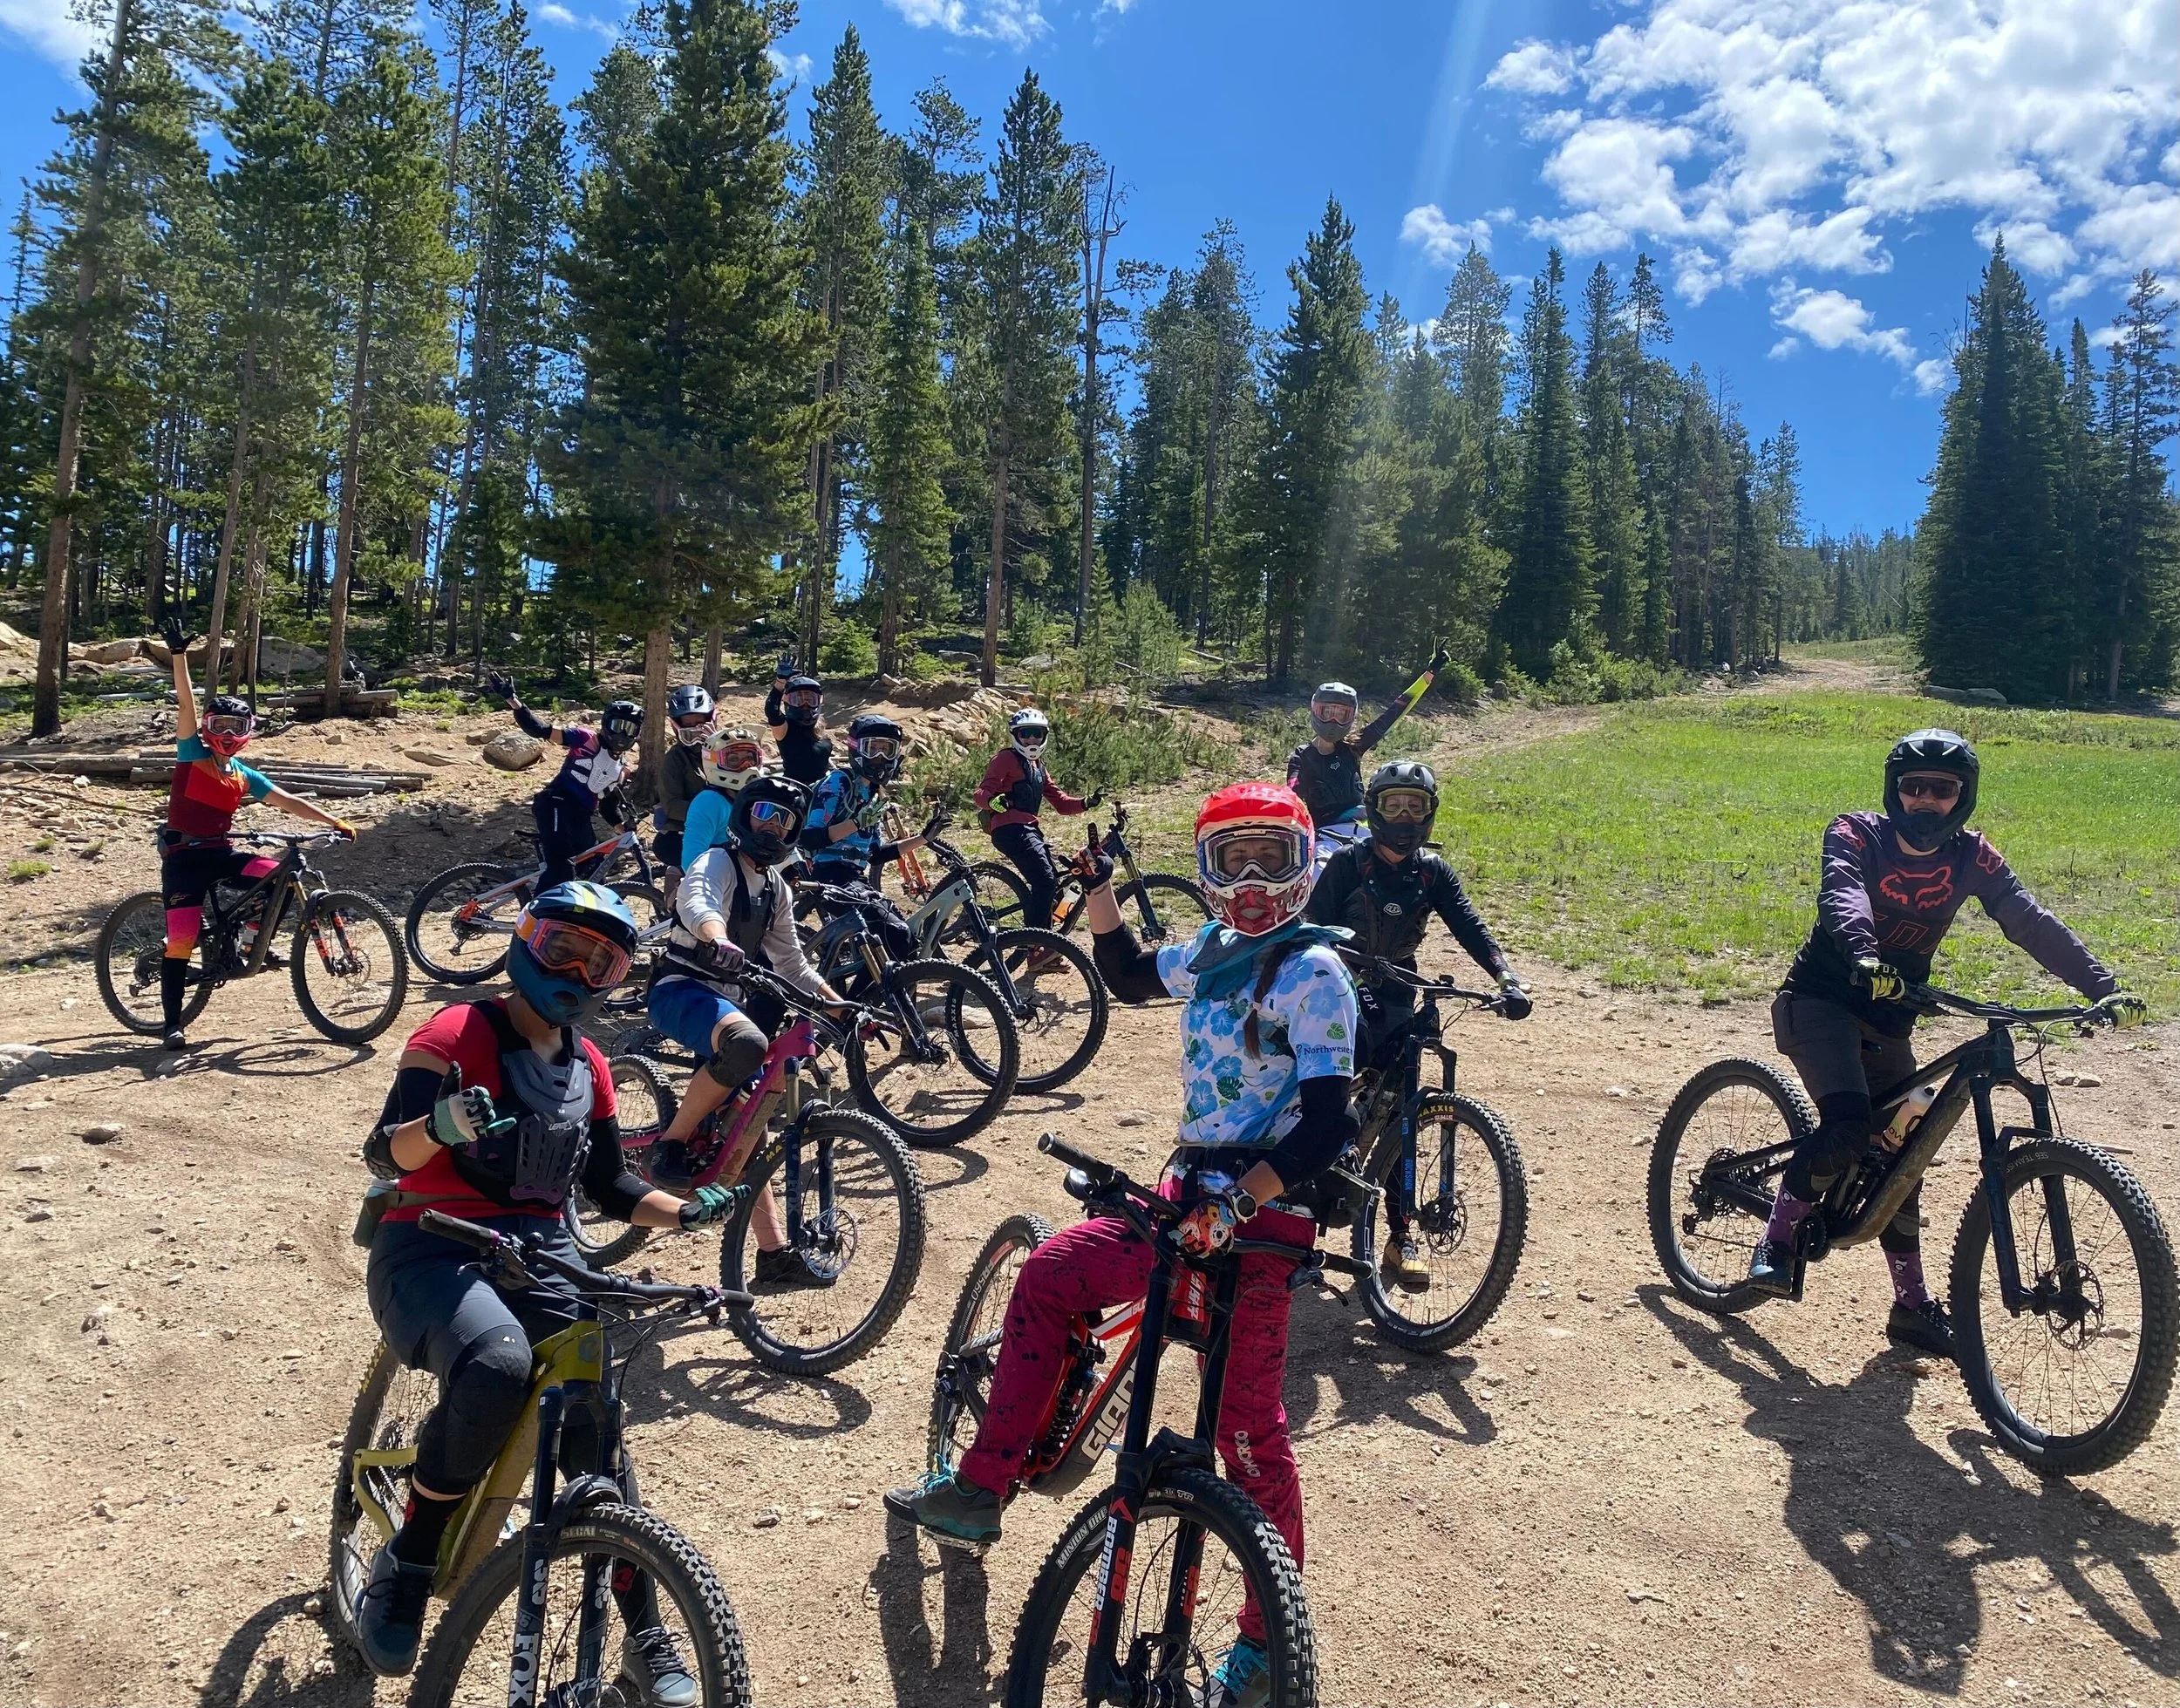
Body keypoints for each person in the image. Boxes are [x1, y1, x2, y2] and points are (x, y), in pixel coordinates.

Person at [889, 781, 1356, 1708]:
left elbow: (1326, 1130)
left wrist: (1237, 1207)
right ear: (1206, 869)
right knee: (1057, 1269)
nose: (1254, 880)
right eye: (1234, 859)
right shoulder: (1217, 951)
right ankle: (983, 1487)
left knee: (1248, 1434)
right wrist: (1098, 886)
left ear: (1306, 866)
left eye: (1273, 857)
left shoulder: (1314, 973)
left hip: (1261, 1216)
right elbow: (1130, 973)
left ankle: (1265, 1647)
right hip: (1186, 1196)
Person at [353, 881, 740, 1688]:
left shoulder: (591, 1064)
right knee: (496, 1363)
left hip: (540, 1256)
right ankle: (411, 1556)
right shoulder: (454, 1031)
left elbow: (610, 1187)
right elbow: (386, 1154)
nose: (578, 968)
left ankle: (646, 1631)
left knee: (593, 1421)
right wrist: (444, 1126)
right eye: (563, 945)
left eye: (601, 960)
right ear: (527, 939)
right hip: (429, 1246)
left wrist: (690, 1211)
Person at [1749, 729, 2146, 1356]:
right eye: (1915, 787)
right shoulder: (1857, 832)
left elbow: (2027, 919)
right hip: (1820, 1000)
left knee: (1907, 1151)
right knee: (1851, 1126)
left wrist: (2104, 986)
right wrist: (1864, 954)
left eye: (1943, 789)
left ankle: (1910, 1306)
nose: (1927, 801)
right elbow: (1842, 893)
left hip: (1891, 1017)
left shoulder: (1972, 857)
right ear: (1895, 790)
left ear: (1963, 796)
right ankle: (1776, 1240)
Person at [1305, 759, 1531, 1291]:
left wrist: (1506, 977)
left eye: (1416, 805)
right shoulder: (1346, 864)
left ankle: (1399, 1236)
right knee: (1326, 1090)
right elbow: (1310, 929)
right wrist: (1334, 966)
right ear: (1374, 809)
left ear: (1429, 815)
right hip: (1342, 987)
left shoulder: (1431, 872)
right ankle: (1300, 1178)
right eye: (1393, 804)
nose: (1404, 815)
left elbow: (1469, 926)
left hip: (1400, 991)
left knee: (1403, 1113)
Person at [640, 775, 843, 1286]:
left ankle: (774, 1253)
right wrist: (716, 937)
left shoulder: (776, 887)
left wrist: (843, 1006)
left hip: (725, 1001)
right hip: (679, 988)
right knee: (748, 1044)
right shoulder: (717, 861)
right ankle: (672, 1143)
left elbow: (793, 962)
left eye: (784, 819)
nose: (772, 826)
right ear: (744, 814)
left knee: (748, 1119)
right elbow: (696, 900)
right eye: (764, 813)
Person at [153, 616, 355, 1051]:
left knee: (280, 879)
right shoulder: (192, 754)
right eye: (219, 726)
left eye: (235, 728)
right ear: (208, 727)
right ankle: (172, 1023)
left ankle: (250, 940)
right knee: (183, 940)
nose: (226, 734)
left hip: (222, 851)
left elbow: (288, 800)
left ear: (248, 734)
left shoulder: (243, 774)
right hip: (185, 859)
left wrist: (332, 821)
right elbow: (186, 705)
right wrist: (179, 656)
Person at [484, 670, 641, 888]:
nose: (623, 734)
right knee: (561, 869)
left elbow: (607, 804)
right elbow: (539, 729)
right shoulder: (585, 739)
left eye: (630, 728)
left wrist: (620, 825)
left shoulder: (620, 767)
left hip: (580, 817)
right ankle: (535, 918)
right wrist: (514, 701)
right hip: (555, 803)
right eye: (618, 726)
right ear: (606, 723)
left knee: (595, 871)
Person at [1286, 644, 1449, 849]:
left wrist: (1429, 673)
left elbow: (1394, 713)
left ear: (1351, 717)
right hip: (1324, 838)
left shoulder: (1353, 746)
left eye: (1341, 714)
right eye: (1327, 712)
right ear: (1315, 711)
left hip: (1366, 830)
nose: (1333, 721)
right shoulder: (1302, 758)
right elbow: (1290, 797)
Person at [972, 707, 1100, 931]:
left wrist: (1085, 802)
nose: (1031, 738)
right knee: (1045, 882)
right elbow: (981, 793)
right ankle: (1035, 947)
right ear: (1015, 735)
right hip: (1011, 830)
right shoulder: (1005, 758)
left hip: (1028, 830)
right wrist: (992, 802)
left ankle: (1049, 945)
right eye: (1026, 733)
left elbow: (1060, 802)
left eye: (1036, 733)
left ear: (1044, 736)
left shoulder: (1038, 767)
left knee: (1054, 887)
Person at [651, 684, 716, 891]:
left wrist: (717, 747)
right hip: (682, 834)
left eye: (701, 725)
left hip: (719, 831)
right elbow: (672, 805)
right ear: (677, 726)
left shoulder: (726, 752)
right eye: (689, 727)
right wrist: (709, 814)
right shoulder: (674, 759)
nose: (697, 733)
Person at [679, 726, 766, 861]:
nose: (746, 766)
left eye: (750, 757)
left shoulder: (759, 798)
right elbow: (691, 860)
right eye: (733, 760)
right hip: (719, 878)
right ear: (714, 763)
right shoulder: (709, 802)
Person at [765, 661, 832, 786]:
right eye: (798, 700)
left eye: (811, 700)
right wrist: (780, 683)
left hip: (821, 792)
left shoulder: (820, 730)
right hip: (793, 793)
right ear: (788, 702)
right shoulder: (785, 729)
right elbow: (772, 711)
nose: (805, 705)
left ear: (818, 702)